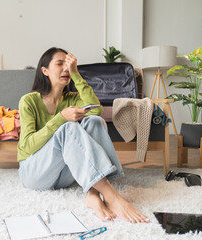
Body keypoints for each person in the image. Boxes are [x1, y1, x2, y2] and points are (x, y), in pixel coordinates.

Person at [17, 47, 150, 223]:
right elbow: (27, 146)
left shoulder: (72, 98)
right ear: (45, 71)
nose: (65, 68)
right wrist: (60, 119)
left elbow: (97, 109)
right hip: (34, 173)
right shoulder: (29, 101)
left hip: (62, 175)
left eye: (68, 64)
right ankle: (112, 196)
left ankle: (93, 194)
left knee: (95, 121)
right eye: (60, 64)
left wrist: (76, 74)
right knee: (67, 128)